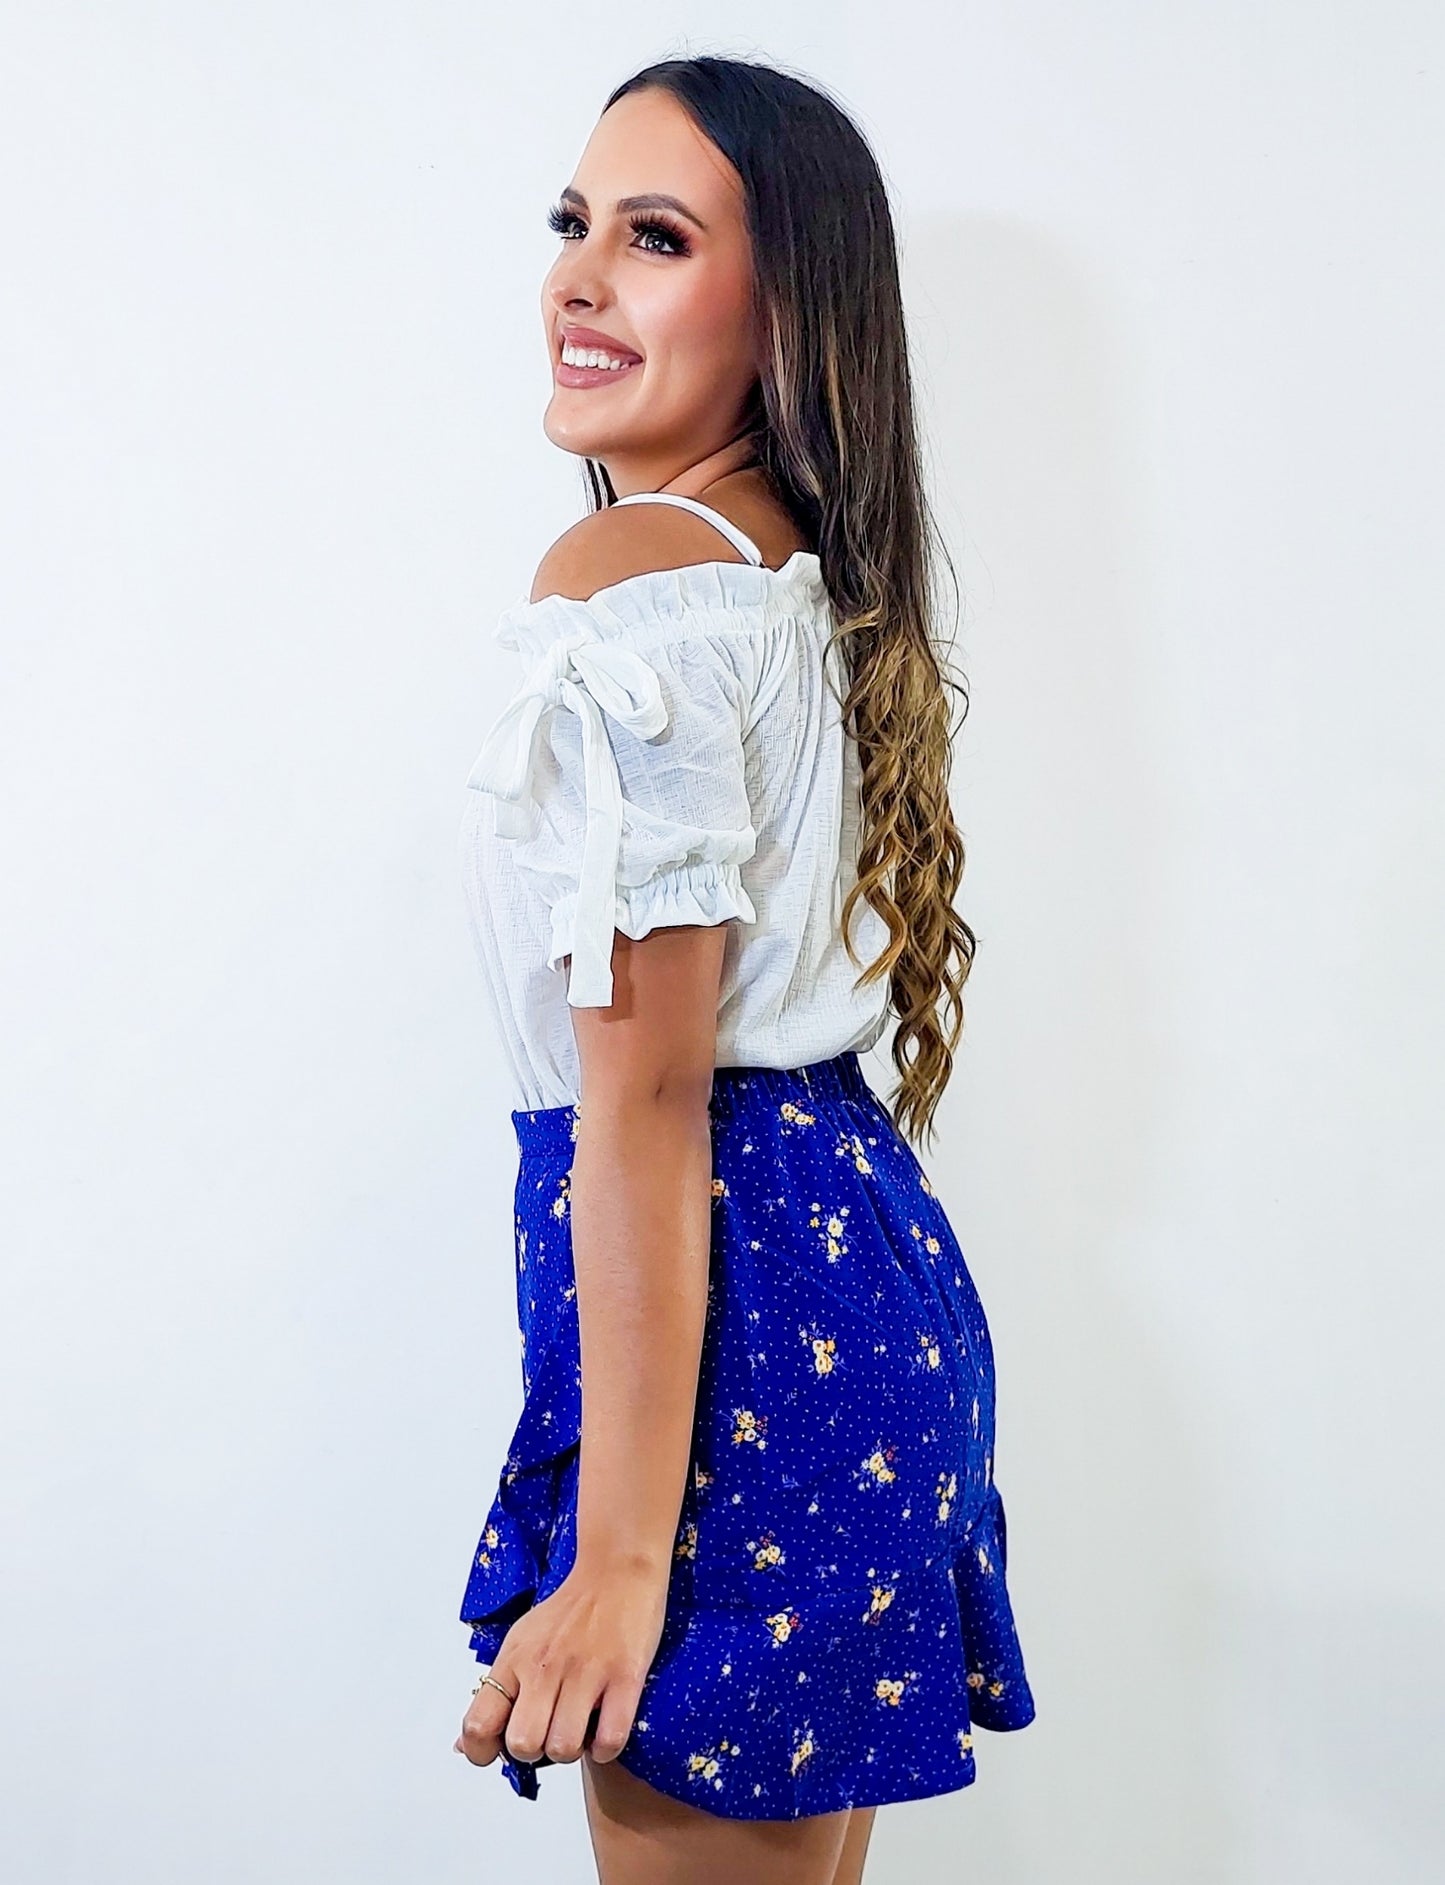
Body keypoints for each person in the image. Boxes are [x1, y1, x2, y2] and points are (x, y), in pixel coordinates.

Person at [452, 55, 1036, 1885]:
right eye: (573, 223)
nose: (577, 275)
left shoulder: (634, 576)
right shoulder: (776, 568)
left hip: (731, 1356)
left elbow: (644, 1096)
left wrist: (624, 1555)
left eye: (655, 237)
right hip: (842, 1290)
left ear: (783, 309)